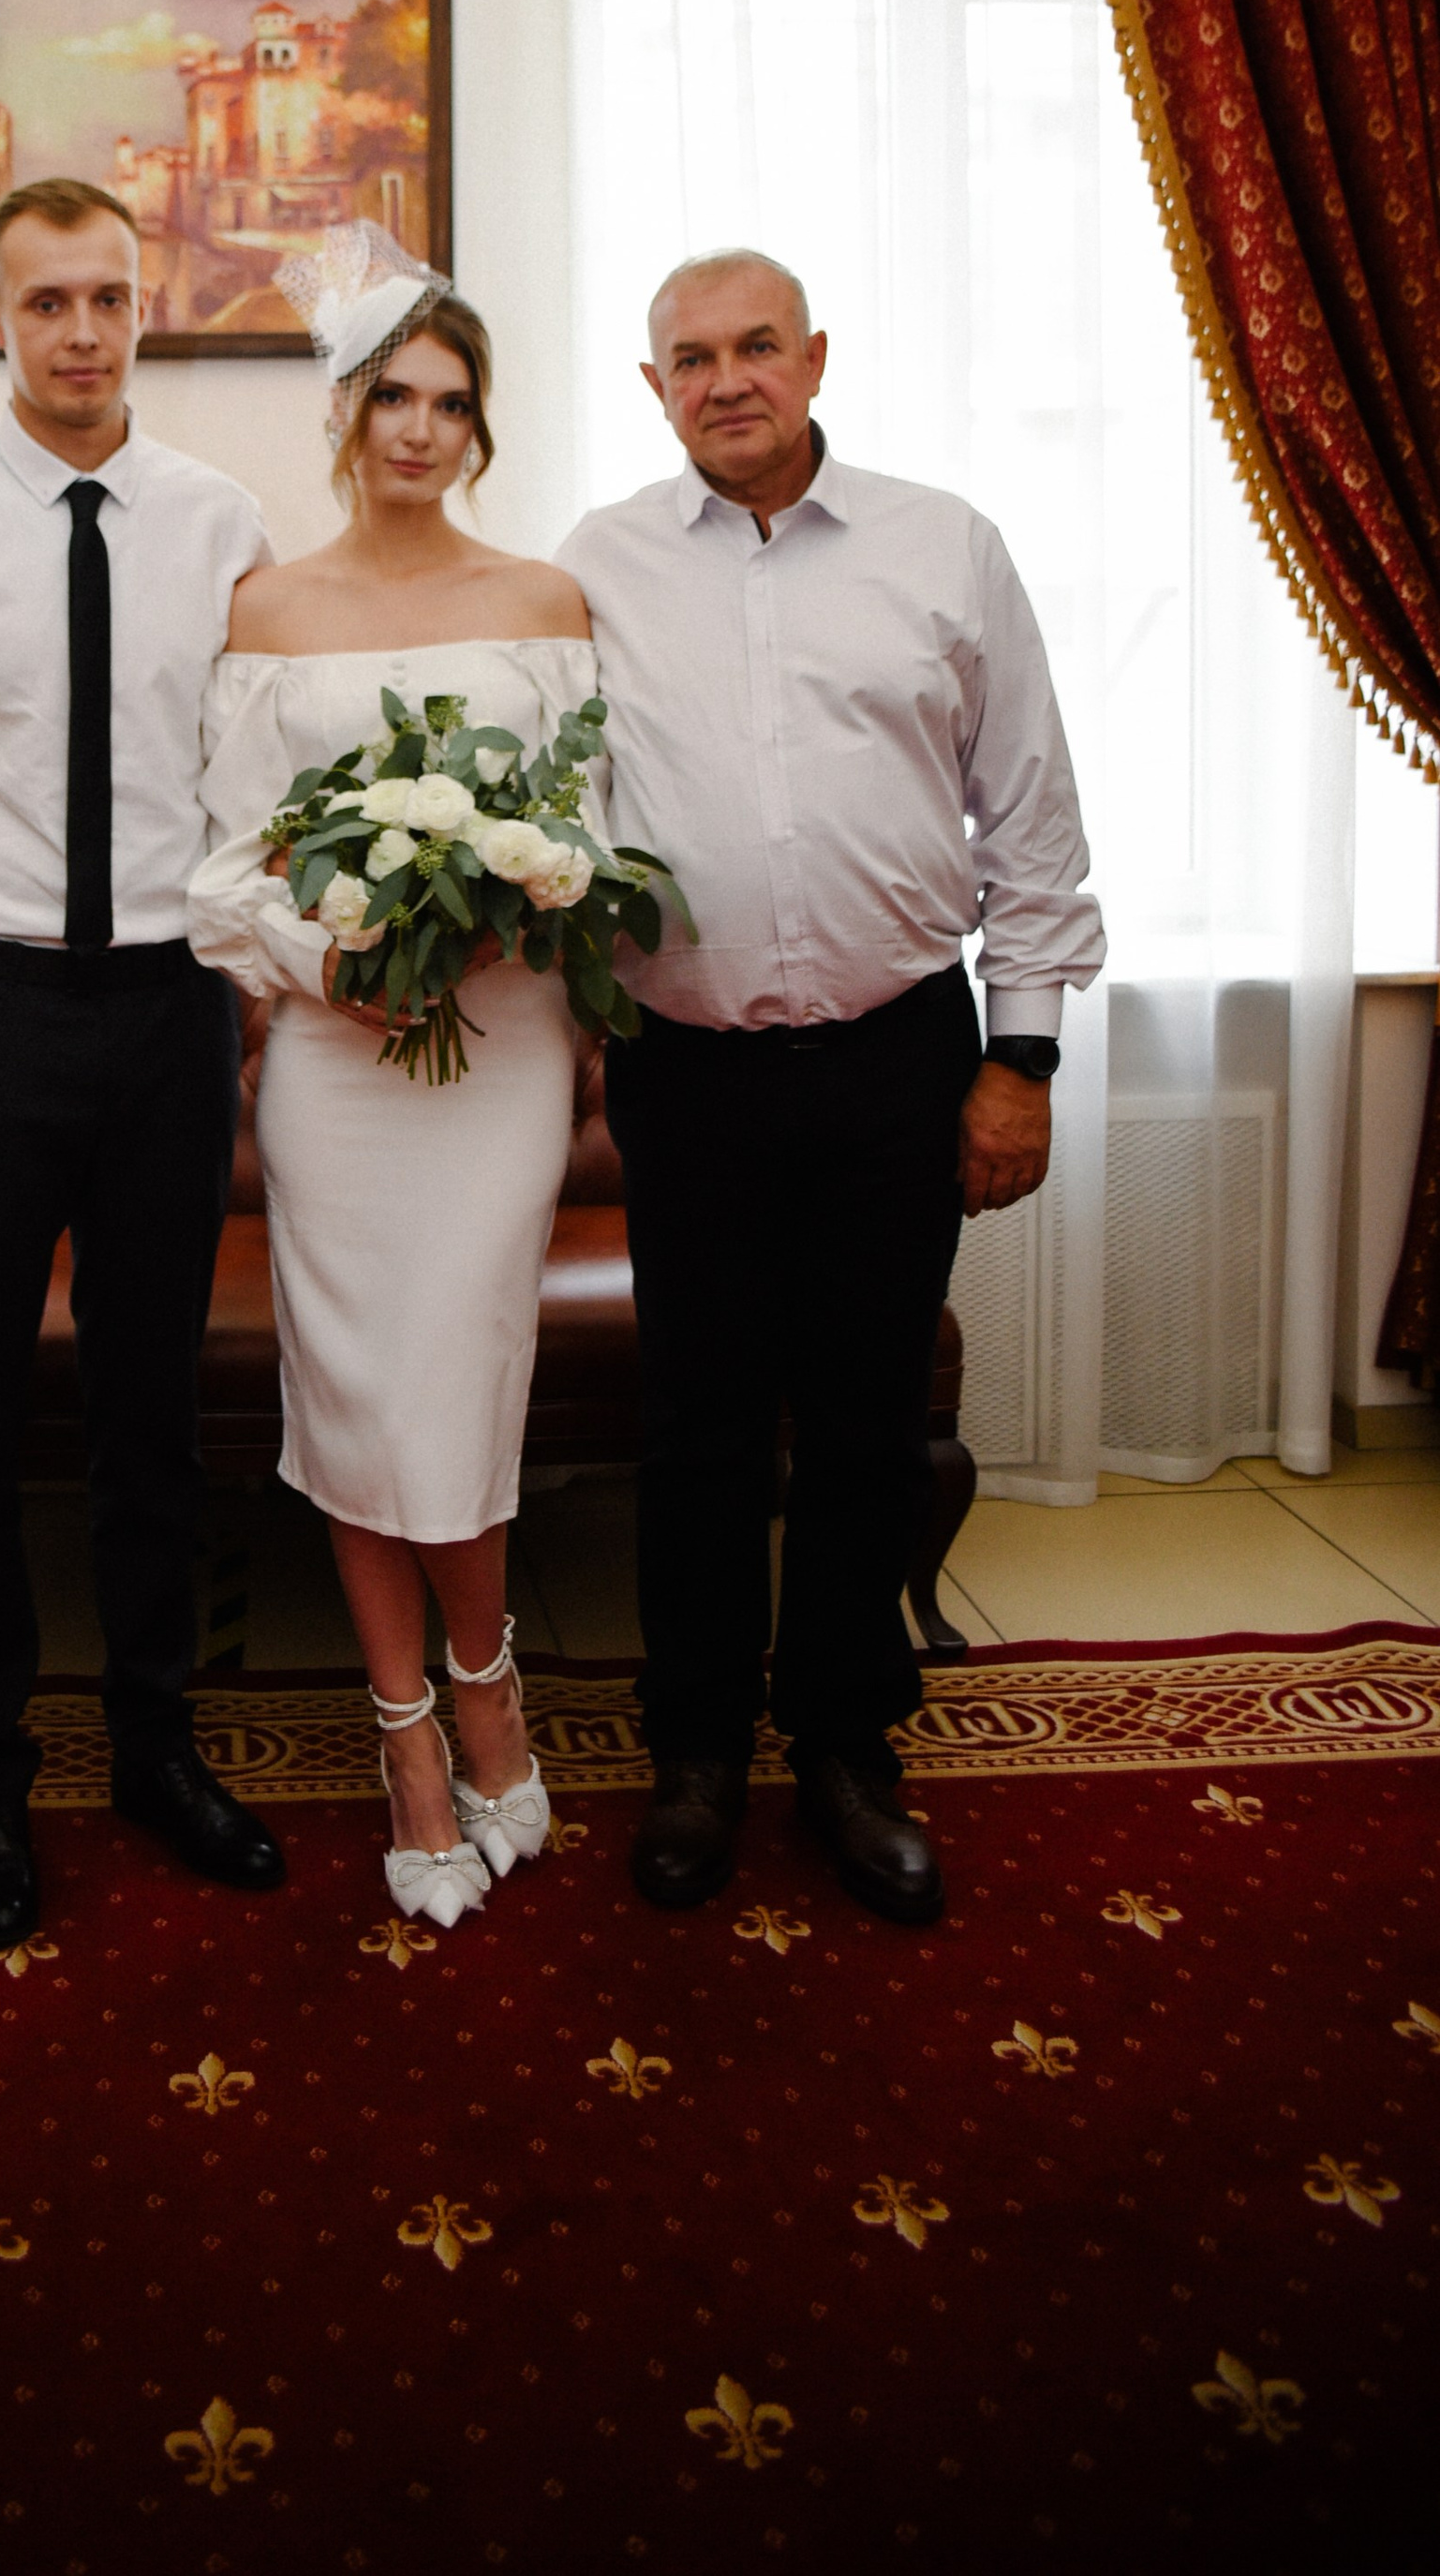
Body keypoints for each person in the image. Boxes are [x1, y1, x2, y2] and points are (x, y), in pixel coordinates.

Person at [558, 249, 1105, 1928]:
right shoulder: (599, 565)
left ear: (815, 359)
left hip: (896, 1058)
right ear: (653, 388)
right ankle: (701, 1748)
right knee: (699, 1428)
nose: (727, 378)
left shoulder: (947, 545)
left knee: (866, 1421)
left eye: (756, 346)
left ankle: (853, 1747)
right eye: (689, 356)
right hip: (691, 1072)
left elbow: (1029, 815)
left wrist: (1019, 1060)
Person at [0, 177, 287, 1949]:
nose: (83, 330)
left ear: (145, 302)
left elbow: (247, 765)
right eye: (47, 303)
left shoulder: (218, 517)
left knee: (151, 1409)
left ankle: (158, 1745)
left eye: (109, 296)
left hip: (170, 1012)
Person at [188, 234, 593, 1930]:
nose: (421, 429)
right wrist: (321, 955)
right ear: (345, 414)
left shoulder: (547, 604)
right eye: (393, 397)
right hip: (339, 1072)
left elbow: (597, 838)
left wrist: (523, 892)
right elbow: (220, 871)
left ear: (478, 427)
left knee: (459, 1376)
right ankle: (410, 1736)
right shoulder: (267, 614)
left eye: (454, 401)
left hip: (497, 1059)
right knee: (356, 1385)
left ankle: (486, 1681)